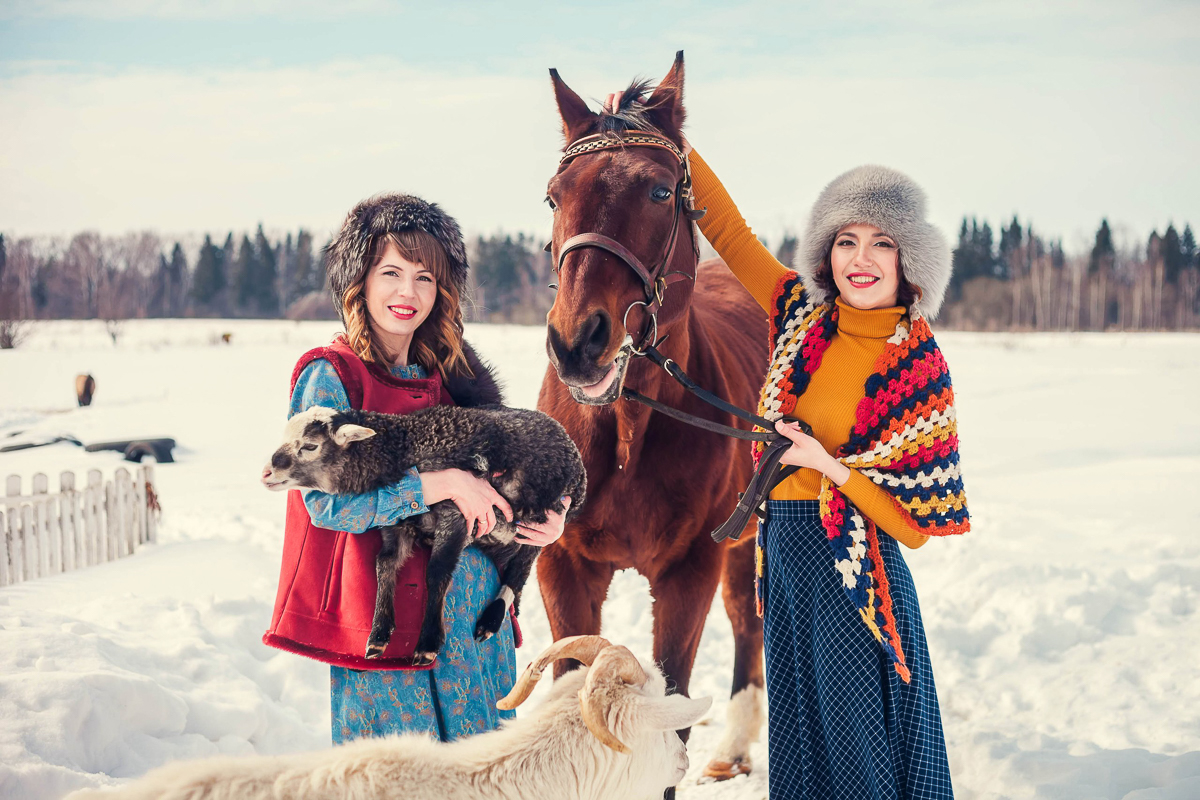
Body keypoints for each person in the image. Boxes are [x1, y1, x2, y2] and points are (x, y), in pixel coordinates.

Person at [634, 104, 968, 797]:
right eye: (847, 241)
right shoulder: (798, 315)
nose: (862, 259)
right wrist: (659, 141)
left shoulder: (917, 362)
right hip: (782, 554)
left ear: (909, 258)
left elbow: (915, 526)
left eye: (882, 243)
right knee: (801, 741)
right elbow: (726, 228)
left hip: (853, 569)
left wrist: (829, 468)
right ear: (827, 252)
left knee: (852, 742)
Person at [262, 193, 570, 745]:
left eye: (425, 277)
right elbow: (324, 505)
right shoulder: (332, 377)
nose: (409, 292)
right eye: (392, 272)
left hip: (472, 622)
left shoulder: (453, 374)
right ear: (359, 278)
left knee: (486, 775)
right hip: (386, 620)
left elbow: (516, 469)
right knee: (402, 778)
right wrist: (437, 484)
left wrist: (548, 524)